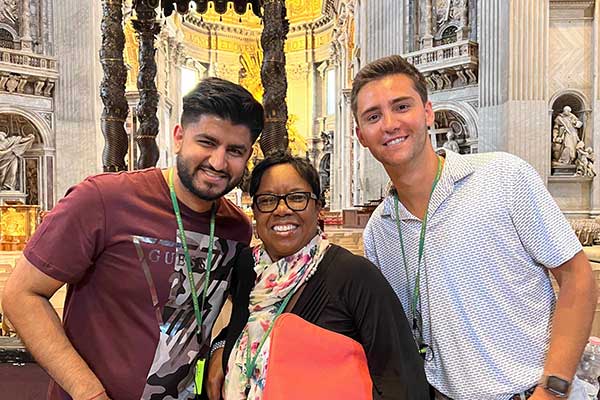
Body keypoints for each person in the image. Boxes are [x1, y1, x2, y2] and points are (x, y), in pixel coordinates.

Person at [351, 55, 597, 400]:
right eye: (373, 116)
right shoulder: (379, 231)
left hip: (533, 393)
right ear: (361, 135)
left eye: (401, 106)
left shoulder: (503, 177)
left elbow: (577, 278)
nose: (390, 124)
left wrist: (553, 389)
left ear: (427, 113)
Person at [2, 77, 264, 400]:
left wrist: (222, 346)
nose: (218, 162)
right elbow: (20, 294)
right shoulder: (102, 199)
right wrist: (88, 392)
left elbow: (222, 300)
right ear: (179, 137)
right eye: (207, 142)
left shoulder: (236, 228)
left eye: (235, 151)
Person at [215, 151, 429, 400]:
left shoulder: (355, 276)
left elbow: (401, 381)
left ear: (319, 208)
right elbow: (247, 327)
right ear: (255, 211)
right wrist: (220, 347)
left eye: (297, 198)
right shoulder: (247, 270)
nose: (282, 209)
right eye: (267, 199)